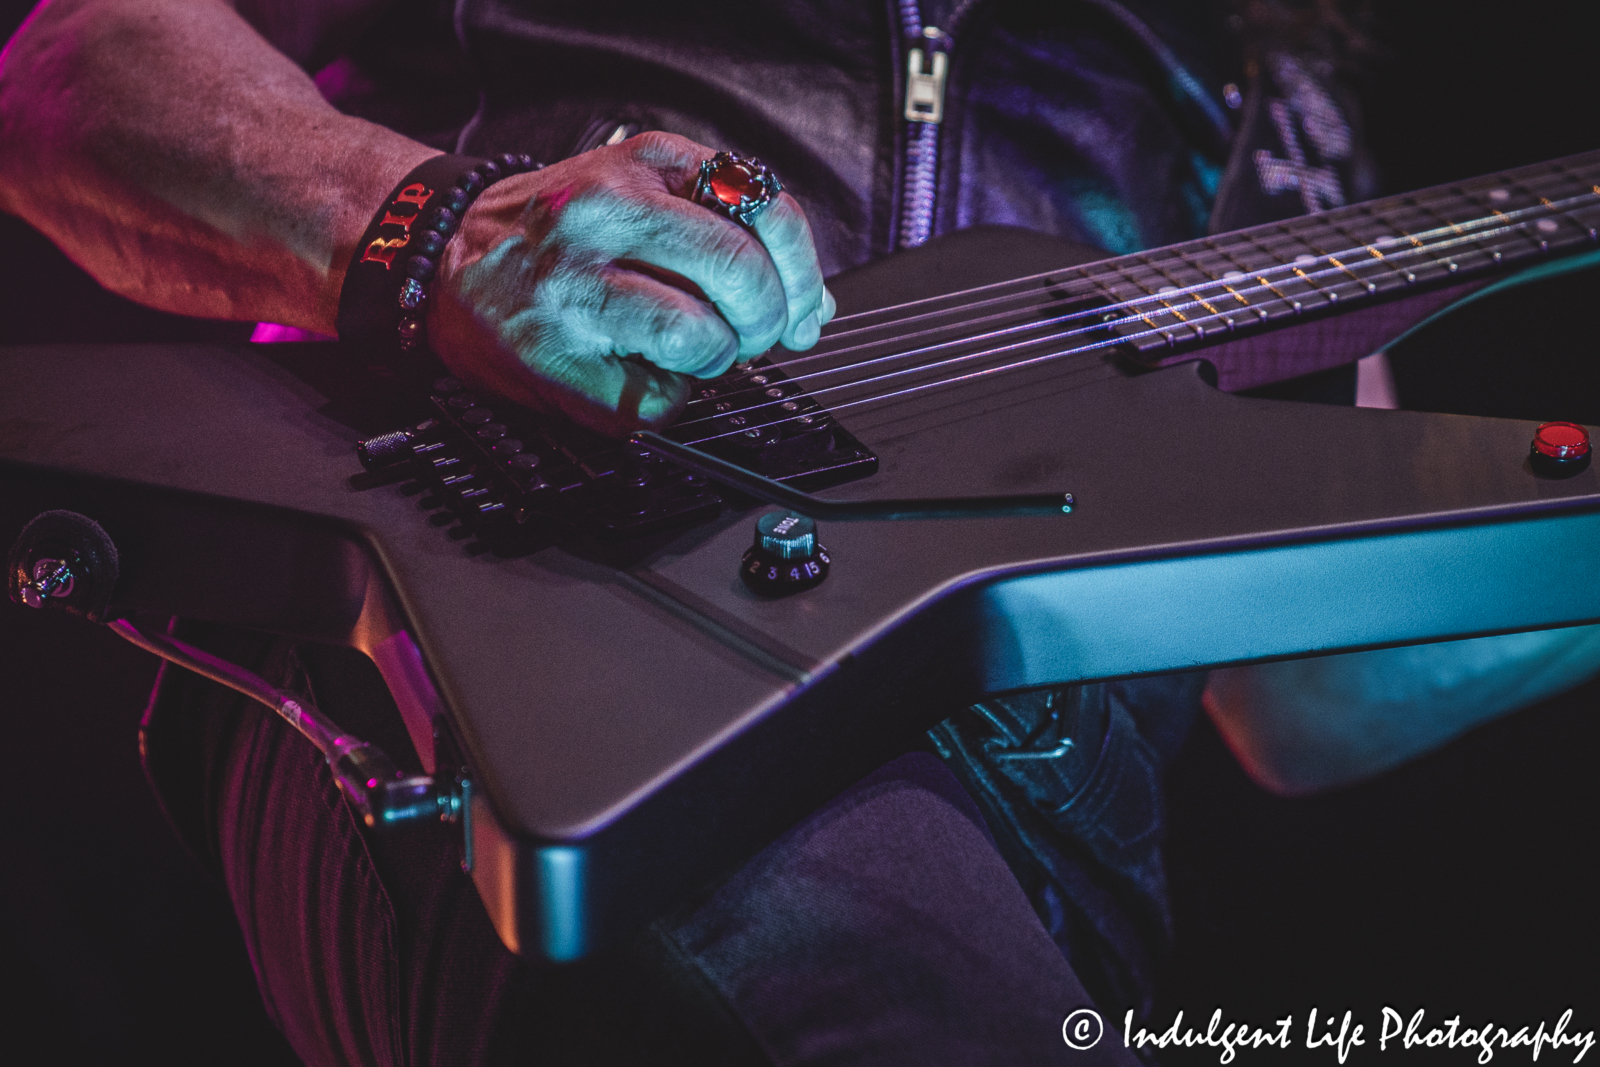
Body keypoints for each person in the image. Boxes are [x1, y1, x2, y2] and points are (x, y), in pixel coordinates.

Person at [4, 1, 1599, 1063]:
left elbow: (1313, 699)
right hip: (481, 603)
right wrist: (422, 230)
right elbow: (67, 65)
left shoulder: (1273, 96)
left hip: (1056, 856)